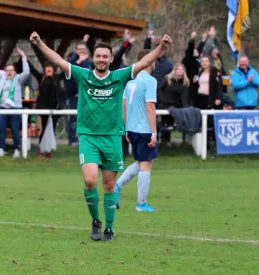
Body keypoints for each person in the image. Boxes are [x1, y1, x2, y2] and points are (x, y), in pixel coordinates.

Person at [30, 30, 172, 241]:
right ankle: (96, 221)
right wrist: (40, 44)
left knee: (109, 185)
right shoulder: (83, 75)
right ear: (93, 59)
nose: (101, 59)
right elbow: (58, 60)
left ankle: (109, 228)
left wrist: (161, 48)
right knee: (89, 181)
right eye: (98, 56)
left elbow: (143, 64)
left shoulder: (118, 77)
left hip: (112, 138)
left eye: (105, 56)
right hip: (88, 137)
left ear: (111, 59)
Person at [116, 50, 158, 213]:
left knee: (139, 162)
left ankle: (117, 187)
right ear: (149, 61)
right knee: (146, 165)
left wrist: (126, 127)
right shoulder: (150, 81)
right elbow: (150, 107)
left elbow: (124, 105)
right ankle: (141, 203)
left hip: (132, 129)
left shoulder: (130, 81)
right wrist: (154, 132)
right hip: (144, 129)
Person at [0, 48, 30, 158]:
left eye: (11, 70)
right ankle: (2, 148)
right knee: (1, 128)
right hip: (2, 107)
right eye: (7, 70)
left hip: (16, 108)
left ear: (15, 72)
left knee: (15, 129)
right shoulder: (1, 78)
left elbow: (26, 72)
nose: (9, 72)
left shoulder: (18, 79)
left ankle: (17, 149)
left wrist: (24, 57)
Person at [29, 61, 65, 158]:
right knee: (44, 129)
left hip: (55, 108)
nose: (48, 69)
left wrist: (77, 62)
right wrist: (25, 59)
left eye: (50, 67)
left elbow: (67, 71)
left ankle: (49, 150)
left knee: (52, 129)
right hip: (44, 108)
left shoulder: (57, 78)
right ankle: (41, 149)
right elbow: (33, 70)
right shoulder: (42, 77)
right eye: (47, 68)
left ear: (53, 70)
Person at [158, 64, 189, 145]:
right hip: (165, 104)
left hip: (176, 106)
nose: (180, 71)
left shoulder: (185, 82)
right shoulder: (167, 78)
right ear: (175, 70)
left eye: (182, 70)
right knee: (166, 123)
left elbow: (184, 96)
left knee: (179, 122)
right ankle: (165, 141)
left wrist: (185, 107)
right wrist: (162, 99)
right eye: (178, 69)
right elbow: (160, 89)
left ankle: (184, 141)